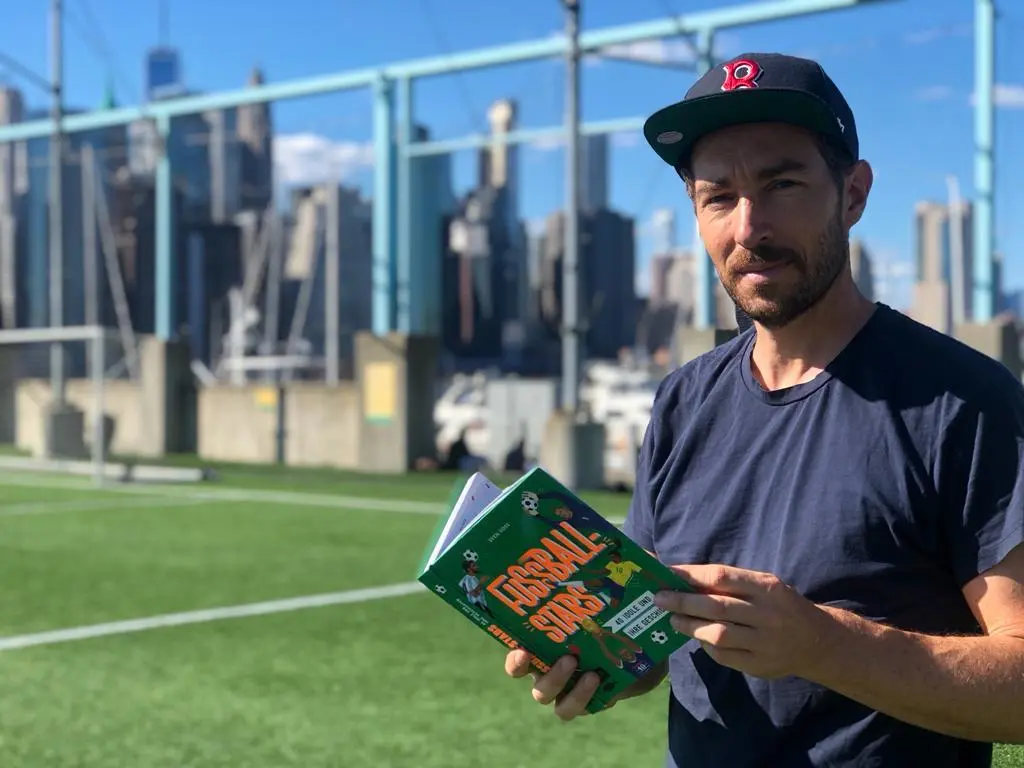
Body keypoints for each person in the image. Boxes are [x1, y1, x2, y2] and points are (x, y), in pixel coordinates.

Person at [503, 52, 1024, 766]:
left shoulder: (965, 402)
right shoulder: (683, 400)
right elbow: (656, 638)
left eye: (782, 184)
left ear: (853, 194)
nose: (749, 227)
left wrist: (823, 645)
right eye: (719, 196)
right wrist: (592, 655)